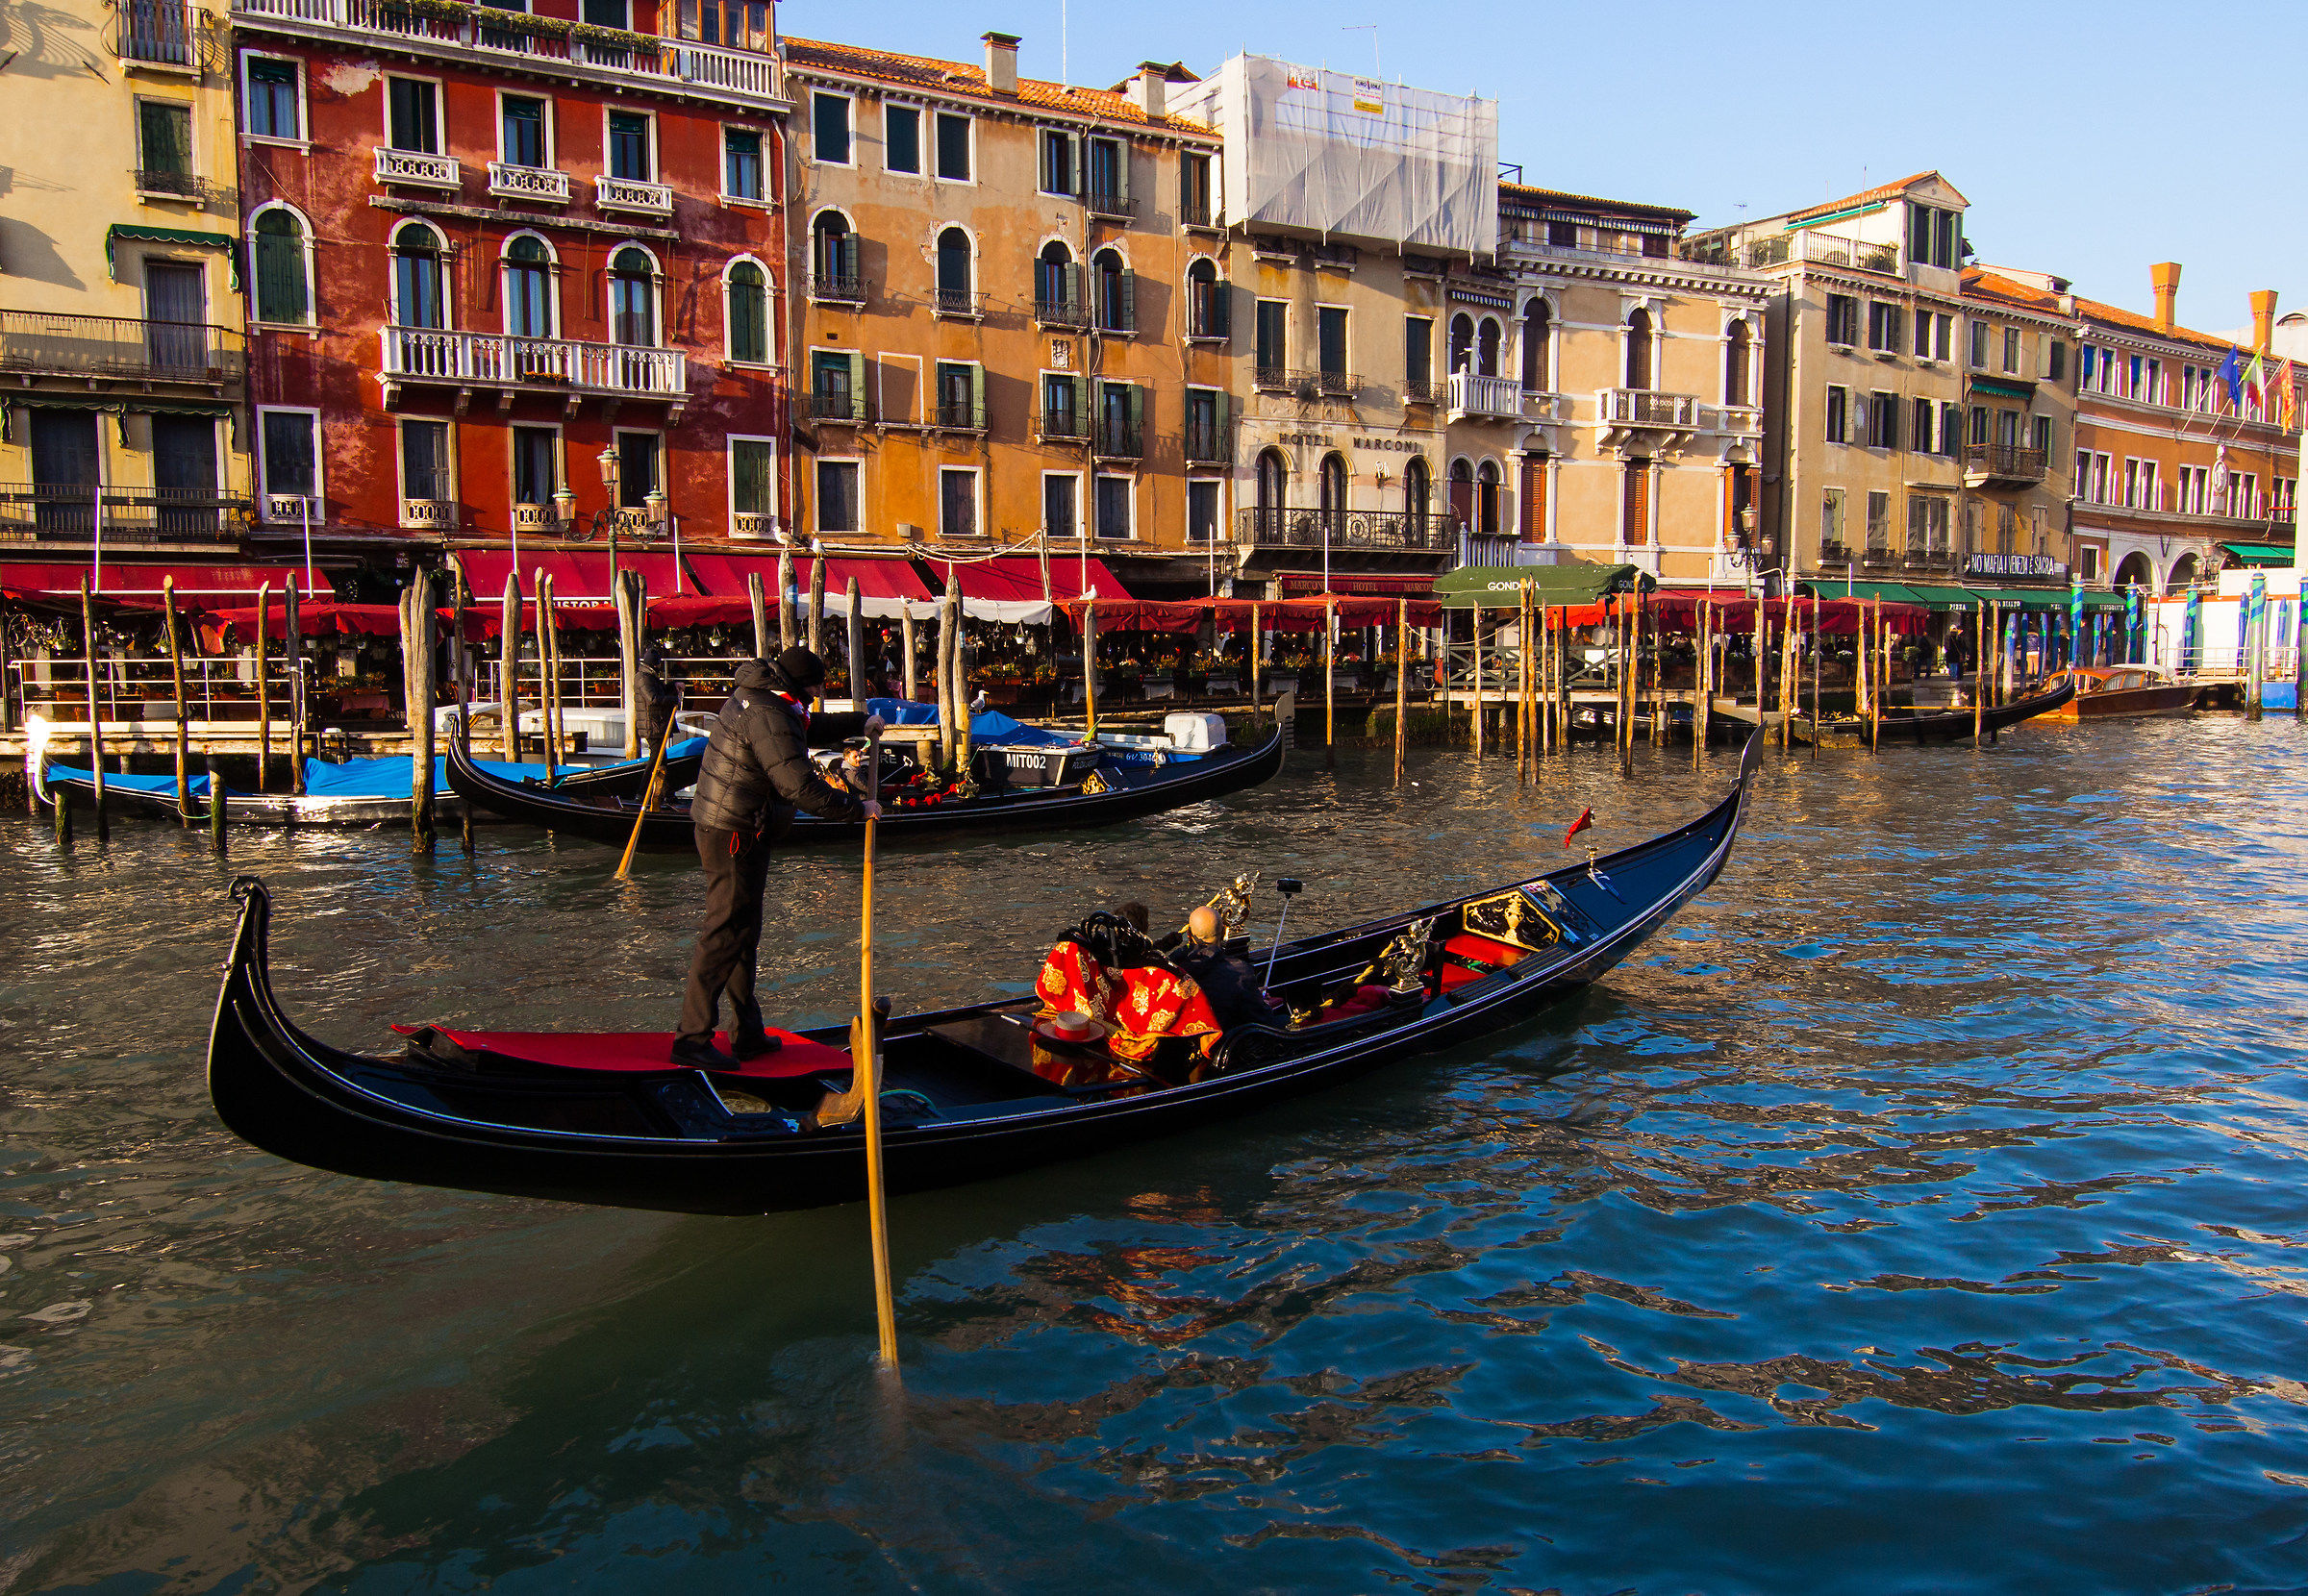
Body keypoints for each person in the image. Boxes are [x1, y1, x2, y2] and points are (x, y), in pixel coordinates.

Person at [673, 646, 884, 1068]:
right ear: (804, 685)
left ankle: (747, 1034)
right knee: (725, 932)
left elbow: (802, 729)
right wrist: (857, 809)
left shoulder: (767, 698)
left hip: (738, 826)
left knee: (743, 932)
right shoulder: (769, 711)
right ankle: (691, 1040)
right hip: (735, 830)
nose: (818, 694)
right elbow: (799, 786)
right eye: (818, 686)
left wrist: (860, 722)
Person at [1169, 905, 1281, 1030]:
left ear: (1189, 934)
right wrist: (1261, 1001)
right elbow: (1264, 1019)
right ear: (1224, 932)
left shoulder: (1172, 968)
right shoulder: (1240, 971)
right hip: (1226, 1044)